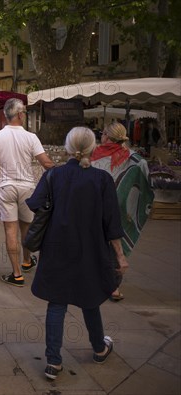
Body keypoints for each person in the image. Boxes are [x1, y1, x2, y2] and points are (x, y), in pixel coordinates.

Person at [26, 126, 128, 380]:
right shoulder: (102, 180)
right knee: (90, 298)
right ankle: (99, 348)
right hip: (90, 249)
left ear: (68, 148)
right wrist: (120, 256)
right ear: (93, 148)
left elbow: (36, 205)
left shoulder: (54, 175)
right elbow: (111, 223)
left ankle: (53, 362)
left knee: (56, 302)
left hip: (56, 247)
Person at [0, 98, 54, 286]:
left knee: (10, 230)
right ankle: (27, 260)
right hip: (27, 187)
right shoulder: (31, 137)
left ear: (6, 115)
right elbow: (46, 163)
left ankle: (17, 273)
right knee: (27, 227)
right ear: (20, 114)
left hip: (6, 187)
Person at [91, 122, 154, 301]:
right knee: (115, 245)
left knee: (97, 243)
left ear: (107, 137)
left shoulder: (94, 154)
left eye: (103, 133)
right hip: (119, 208)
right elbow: (146, 182)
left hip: (97, 206)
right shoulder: (135, 158)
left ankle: (96, 281)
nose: (101, 137)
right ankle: (114, 288)